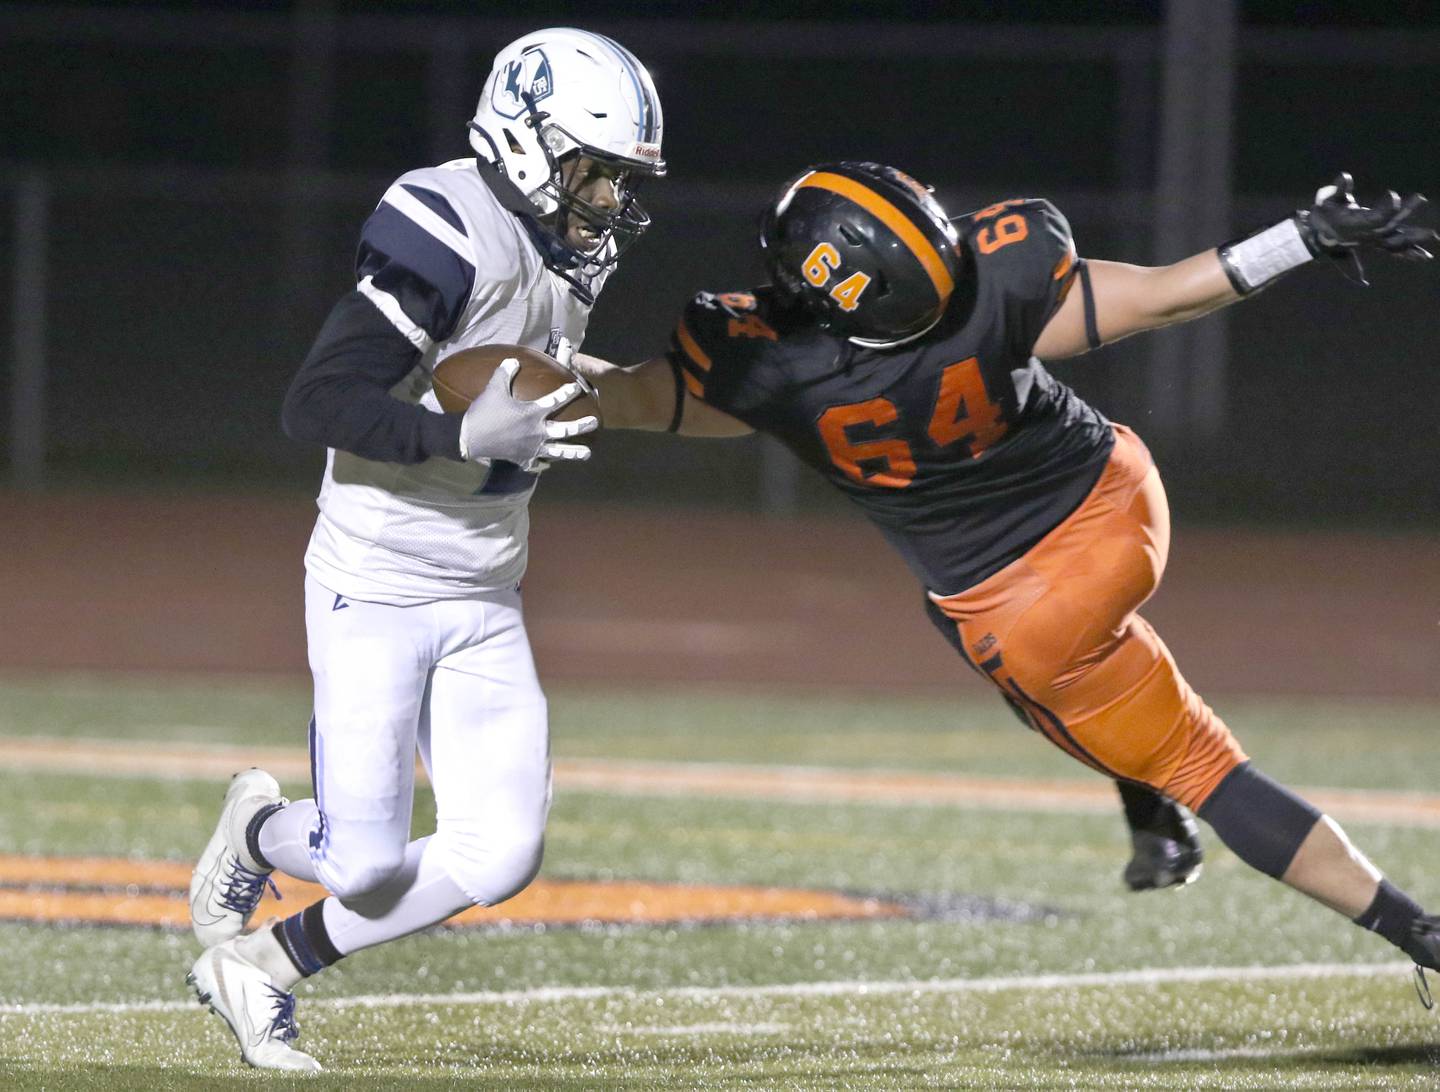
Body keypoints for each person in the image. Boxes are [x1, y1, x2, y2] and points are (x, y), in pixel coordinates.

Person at [576, 161, 1440, 983]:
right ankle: (1177, 823)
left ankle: (1409, 927)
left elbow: (634, 397)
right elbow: (1166, 295)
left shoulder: (773, 369)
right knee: (1088, 666)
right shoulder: (996, 276)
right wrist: (1304, 234)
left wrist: (511, 381)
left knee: (1189, 761)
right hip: (1124, 508)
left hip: (1022, 611)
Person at [184, 28, 664, 1072]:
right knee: (358, 866)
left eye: (623, 181)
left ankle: (259, 966)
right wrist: (457, 435)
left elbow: (530, 354)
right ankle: (263, 831)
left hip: (489, 582)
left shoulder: (573, 243)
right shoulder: (445, 224)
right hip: (380, 577)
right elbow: (315, 400)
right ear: (531, 142)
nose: (612, 202)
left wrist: (634, 387)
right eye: (599, 172)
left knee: (502, 851)